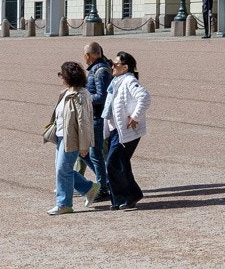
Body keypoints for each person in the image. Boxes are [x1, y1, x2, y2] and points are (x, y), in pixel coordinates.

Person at [46, 60, 99, 215]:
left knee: (63, 169)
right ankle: (89, 188)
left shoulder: (81, 95)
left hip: (73, 138)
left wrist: (84, 145)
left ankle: (64, 204)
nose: (60, 78)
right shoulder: (65, 92)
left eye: (61, 74)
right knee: (63, 169)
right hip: (62, 136)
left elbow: (84, 122)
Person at [101, 50, 150, 210]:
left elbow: (145, 97)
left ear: (125, 67)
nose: (112, 66)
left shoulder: (129, 81)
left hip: (127, 131)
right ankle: (122, 198)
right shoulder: (117, 81)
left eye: (116, 64)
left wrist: (135, 116)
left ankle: (129, 195)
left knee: (113, 162)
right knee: (120, 162)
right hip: (117, 129)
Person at [80, 42, 113, 206]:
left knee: (95, 153)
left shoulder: (100, 70)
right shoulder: (97, 69)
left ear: (88, 55)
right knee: (85, 152)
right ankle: (104, 182)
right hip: (93, 116)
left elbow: (103, 96)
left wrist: (84, 97)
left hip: (98, 118)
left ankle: (103, 187)